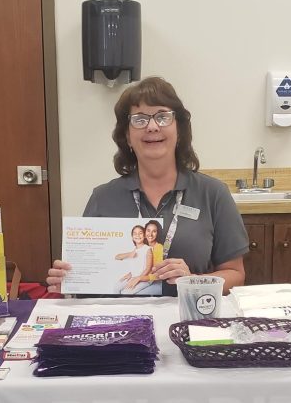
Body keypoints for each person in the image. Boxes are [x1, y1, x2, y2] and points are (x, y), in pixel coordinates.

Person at [46, 76, 247, 295]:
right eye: (139, 120)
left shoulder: (213, 194)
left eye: (163, 117)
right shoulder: (102, 198)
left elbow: (235, 275)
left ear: (179, 130)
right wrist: (70, 279)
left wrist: (193, 282)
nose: (152, 126)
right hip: (122, 323)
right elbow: (90, 283)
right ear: (127, 137)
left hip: (188, 317)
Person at [113, 224, 154, 294]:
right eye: (135, 233)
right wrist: (131, 273)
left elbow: (148, 268)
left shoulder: (147, 249)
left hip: (144, 278)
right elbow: (117, 257)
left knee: (126, 292)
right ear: (132, 237)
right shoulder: (133, 250)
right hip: (134, 276)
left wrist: (137, 279)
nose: (137, 235)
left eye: (140, 233)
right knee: (116, 287)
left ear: (144, 236)